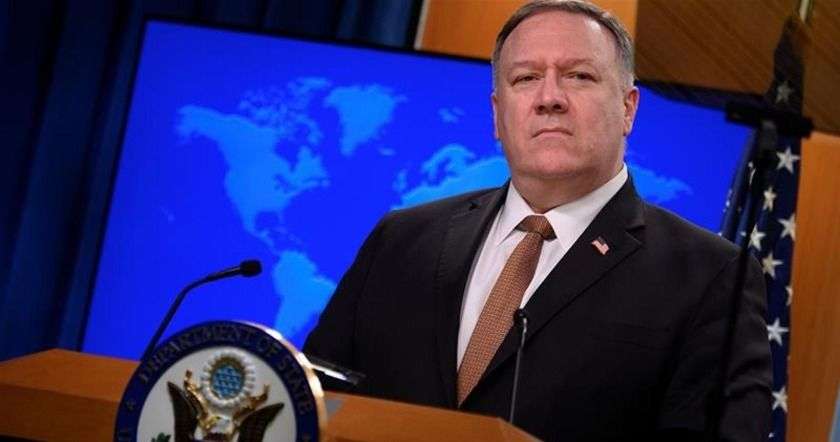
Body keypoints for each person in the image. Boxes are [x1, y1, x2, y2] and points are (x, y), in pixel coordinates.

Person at [304, 1, 772, 440]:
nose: (549, 98)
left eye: (579, 76)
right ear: (497, 114)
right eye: (526, 78)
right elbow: (311, 401)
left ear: (628, 108)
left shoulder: (711, 277)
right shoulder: (401, 239)